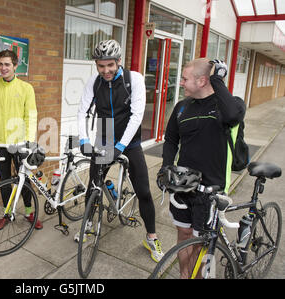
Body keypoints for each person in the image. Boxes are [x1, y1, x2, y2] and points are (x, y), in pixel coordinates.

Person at [77, 40, 164, 262]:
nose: (105, 71)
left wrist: (121, 147)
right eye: (101, 66)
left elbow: (136, 116)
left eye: (110, 65)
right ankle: (87, 225)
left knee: (143, 190)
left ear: (118, 62)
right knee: (93, 185)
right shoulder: (95, 82)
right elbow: (82, 111)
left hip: (130, 142)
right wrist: (84, 139)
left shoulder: (133, 79)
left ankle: (151, 237)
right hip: (104, 136)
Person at [158, 58, 245, 277]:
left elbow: (234, 116)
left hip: (211, 189)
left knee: (202, 243)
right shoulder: (182, 107)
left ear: (202, 80)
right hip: (184, 182)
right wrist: (166, 167)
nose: (181, 83)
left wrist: (218, 79)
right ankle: (184, 276)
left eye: (185, 79)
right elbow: (170, 140)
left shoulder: (228, 105)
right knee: (184, 234)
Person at [0, 50, 42, 231]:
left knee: (25, 180)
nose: (3, 68)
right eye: (0, 64)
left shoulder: (26, 89)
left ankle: (30, 212)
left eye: (7, 64)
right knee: (4, 180)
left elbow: (31, 116)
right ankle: (8, 213)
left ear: (15, 66)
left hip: (20, 144)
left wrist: (29, 143)